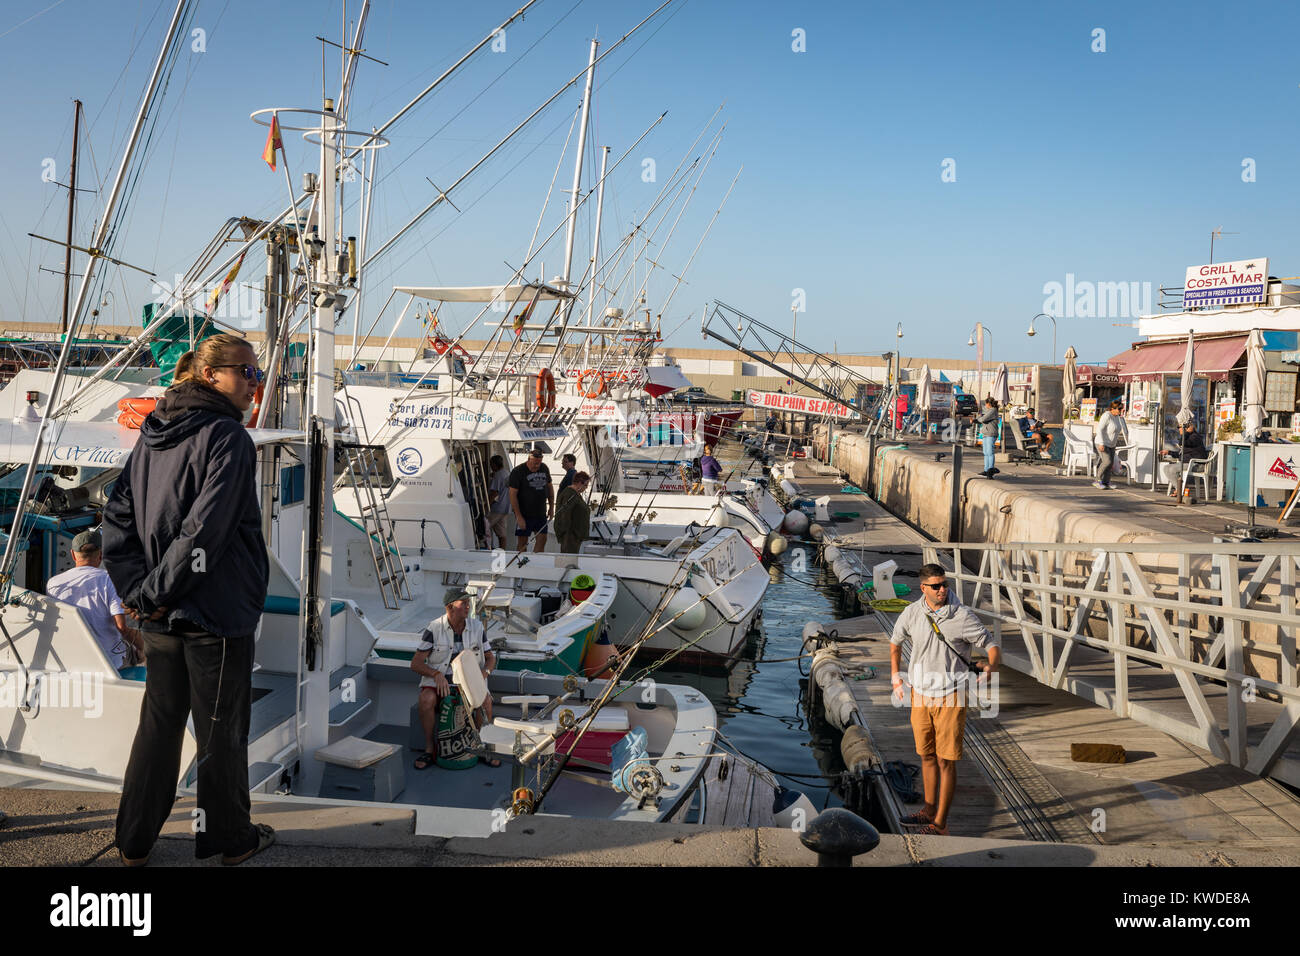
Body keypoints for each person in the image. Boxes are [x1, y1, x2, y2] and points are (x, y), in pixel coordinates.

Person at [103, 333, 274, 867]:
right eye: (246, 371)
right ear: (210, 376)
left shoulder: (153, 430)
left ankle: (133, 842)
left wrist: (141, 594)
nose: (255, 382)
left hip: (160, 614)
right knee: (221, 731)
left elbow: (118, 517)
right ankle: (232, 839)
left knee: (159, 724)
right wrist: (153, 592)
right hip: (214, 613)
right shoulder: (228, 437)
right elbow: (206, 532)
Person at [890, 564, 1001, 835]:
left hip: (951, 696)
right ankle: (928, 810)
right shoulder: (912, 613)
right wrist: (895, 677)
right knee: (926, 756)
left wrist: (992, 667)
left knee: (945, 760)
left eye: (945, 584)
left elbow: (991, 644)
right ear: (923, 588)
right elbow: (895, 642)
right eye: (936, 586)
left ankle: (940, 823)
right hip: (920, 694)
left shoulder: (962, 616)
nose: (943, 590)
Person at [411, 588, 497, 770]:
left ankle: (482, 746)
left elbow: (490, 658)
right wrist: (436, 674)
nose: (468, 606)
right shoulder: (434, 628)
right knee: (426, 700)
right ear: (450, 607)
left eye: (468, 602)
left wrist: (483, 675)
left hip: (469, 682)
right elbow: (416, 663)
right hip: (440, 683)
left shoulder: (477, 627)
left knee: (486, 702)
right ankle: (429, 748)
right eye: (463, 603)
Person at [46, 530, 144, 672]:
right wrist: (142, 649)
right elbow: (122, 627)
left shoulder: (53, 583)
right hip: (110, 661)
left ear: (73, 555)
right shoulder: (109, 579)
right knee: (142, 649)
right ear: (101, 554)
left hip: (71, 658)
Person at [508, 448, 554, 553]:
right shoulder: (518, 471)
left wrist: (551, 507)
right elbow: (512, 495)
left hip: (541, 513)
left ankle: (537, 562)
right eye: (534, 463)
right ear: (529, 459)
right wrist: (518, 516)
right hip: (524, 514)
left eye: (539, 463)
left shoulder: (544, 468)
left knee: (542, 540)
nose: (537, 466)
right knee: (522, 542)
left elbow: (550, 488)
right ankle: (520, 564)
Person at [553, 471, 591, 554]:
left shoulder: (576, 494)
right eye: (586, 485)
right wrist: (566, 534)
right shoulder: (569, 494)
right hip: (570, 536)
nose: (586, 488)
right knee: (568, 558)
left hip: (575, 536)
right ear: (580, 483)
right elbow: (564, 514)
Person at [1094, 399, 1125, 490]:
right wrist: (1101, 443)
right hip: (1102, 442)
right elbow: (1099, 429)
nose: (1120, 411)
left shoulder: (1117, 417)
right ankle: (1097, 480)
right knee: (1106, 461)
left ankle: (1106, 482)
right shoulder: (1106, 416)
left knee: (1110, 463)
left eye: (1121, 409)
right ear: (1112, 408)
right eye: (1119, 409)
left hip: (1112, 444)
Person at [485, 455, 512, 548]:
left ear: (494, 464)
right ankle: (502, 552)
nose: (491, 467)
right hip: (506, 508)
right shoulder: (506, 473)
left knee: (484, 529)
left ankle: (486, 551)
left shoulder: (498, 475)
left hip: (497, 509)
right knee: (502, 534)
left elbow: (494, 493)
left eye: (491, 464)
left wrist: (486, 506)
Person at [976, 398, 1000, 478]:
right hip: (986, 433)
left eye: (986, 404)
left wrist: (976, 420)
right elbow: (982, 418)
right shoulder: (989, 411)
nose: (985, 405)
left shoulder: (993, 410)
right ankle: (986, 470)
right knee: (985, 453)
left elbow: (983, 419)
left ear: (989, 404)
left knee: (990, 452)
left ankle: (990, 470)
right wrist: (978, 419)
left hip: (991, 433)